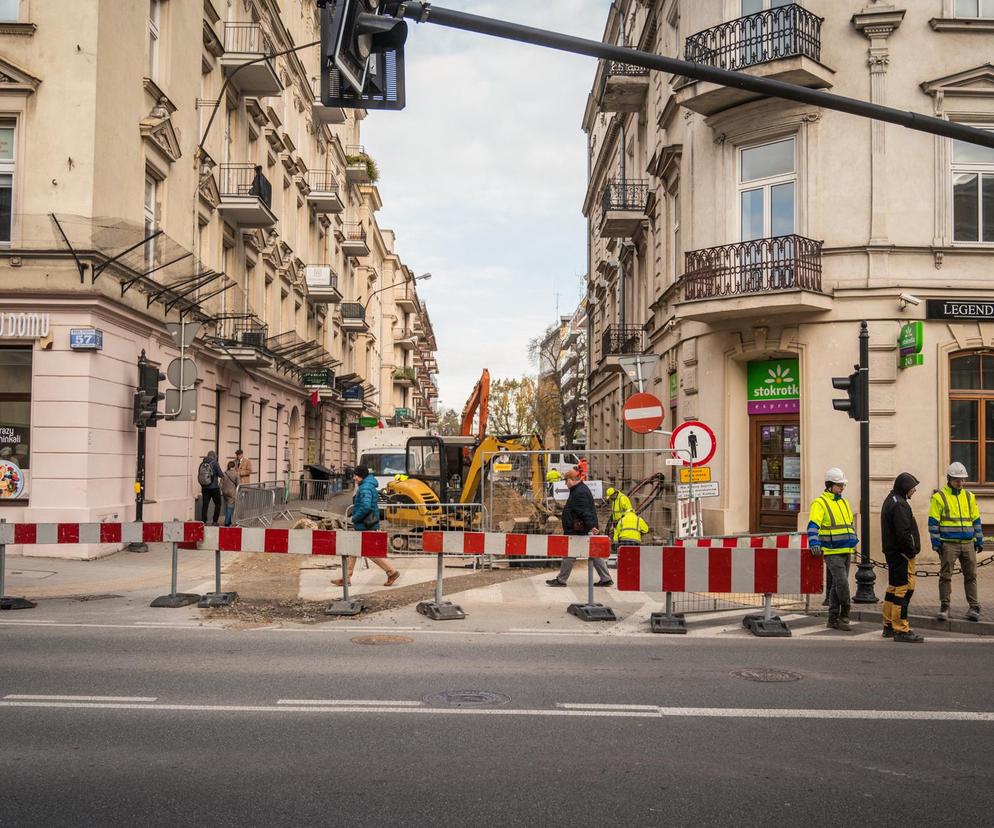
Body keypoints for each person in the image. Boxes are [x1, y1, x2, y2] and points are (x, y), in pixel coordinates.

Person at [928, 462, 983, 622]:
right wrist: (936, 543)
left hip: (968, 543)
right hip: (948, 543)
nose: (960, 483)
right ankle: (945, 607)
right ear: (949, 479)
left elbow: (976, 520)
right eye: (957, 480)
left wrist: (979, 540)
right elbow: (933, 522)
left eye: (962, 480)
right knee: (946, 576)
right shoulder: (939, 497)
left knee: (971, 575)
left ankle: (974, 607)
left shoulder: (969, 496)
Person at [806, 467, 858, 631]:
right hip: (831, 551)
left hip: (846, 550)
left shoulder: (843, 502)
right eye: (839, 485)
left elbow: (849, 525)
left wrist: (853, 541)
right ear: (829, 485)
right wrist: (814, 542)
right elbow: (813, 525)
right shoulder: (819, 503)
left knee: (837, 585)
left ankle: (832, 618)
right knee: (842, 584)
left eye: (843, 485)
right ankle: (845, 614)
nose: (842, 488)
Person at [332, 465, 400, 587]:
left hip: (365, 524)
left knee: (369, 552)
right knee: (354, 549)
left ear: (361, 476)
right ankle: (346, 577)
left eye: (355, 475)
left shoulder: (365, 488)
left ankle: (391, 572)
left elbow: (365, 506)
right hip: (366, 524)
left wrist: (355, 517)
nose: (354, 478)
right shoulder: (367, 485)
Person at [546, 468, 612, 587]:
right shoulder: (578, 489)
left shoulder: (579, 492)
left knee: (570, 553)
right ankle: (606, 578)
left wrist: (591, 526)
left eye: (566, 481)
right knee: (593, 553)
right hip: (580, 528)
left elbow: (584, 511)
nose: (565, 484)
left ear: (571, 480)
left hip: (578, 529)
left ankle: (561, 580)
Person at [881, 472, 925, 643]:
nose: (914, 490)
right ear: (905, 488)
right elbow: (903, 533)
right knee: (903, 590)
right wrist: (911, 551)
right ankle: (901, 629)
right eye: (913, 487)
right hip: (902, 555)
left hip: (893, 553)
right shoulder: (900, 505)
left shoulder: (892, 500)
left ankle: (888, 625)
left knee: (893, 589)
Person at [197, 450, 224, 525]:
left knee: (205, 505)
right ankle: (215, 521)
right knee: (218, 504)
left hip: (204, 487)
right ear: (214, 456)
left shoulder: (202, 463)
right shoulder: (214, 463)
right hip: (214, 487)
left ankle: (203, 521)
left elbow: (200, 475)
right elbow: (221, 474)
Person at [220, 460, 240, 527]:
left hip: (224, 492)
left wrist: (222, 490)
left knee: (227, 506)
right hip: (232, 493)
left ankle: (229, 520)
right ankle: (227, 522)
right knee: (230, 507)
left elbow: (220, 484)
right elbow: (238, 484)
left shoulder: (224, 473)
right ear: (234, 466)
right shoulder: (236, 473)